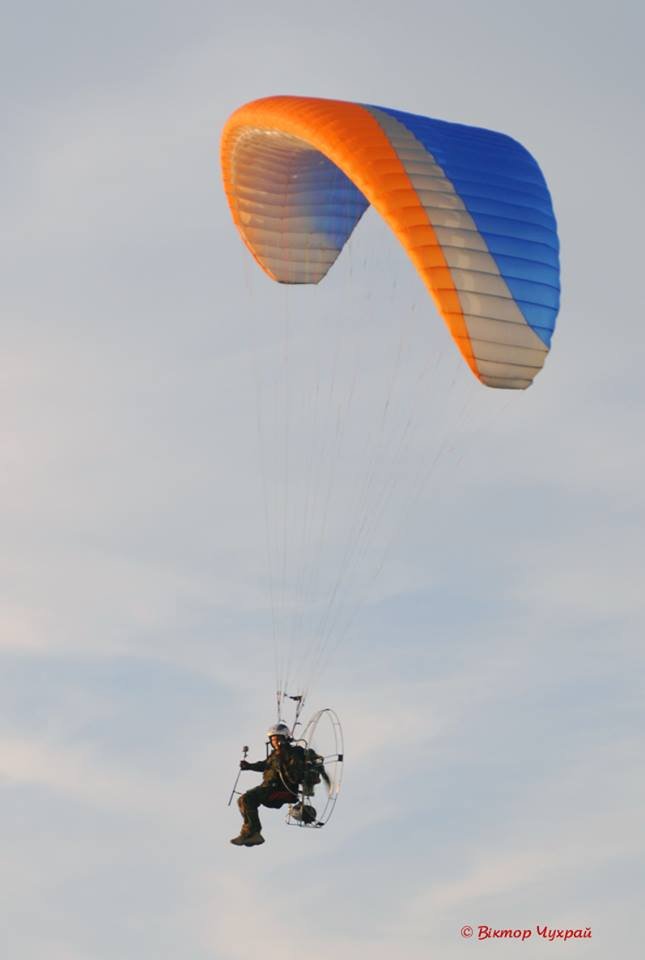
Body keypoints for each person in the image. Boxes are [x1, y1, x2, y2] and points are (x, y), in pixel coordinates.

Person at [230, 722, 307, 847]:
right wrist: (249, 766)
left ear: (284, 739)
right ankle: (248, 834)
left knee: (248, 798)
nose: (275, 742)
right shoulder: (274, 755)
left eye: (277, 739)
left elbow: (296, 773)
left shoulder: (293, 752)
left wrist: (283, 762)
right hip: (268, 788)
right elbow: (264, 765)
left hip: (281, 789)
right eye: (272, 740)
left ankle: (253, 832)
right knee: (242, 800)